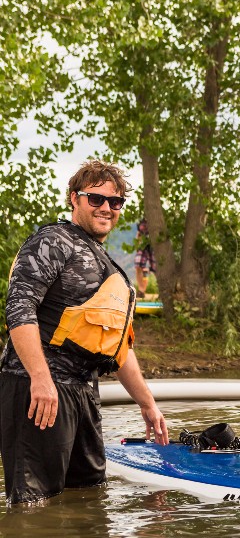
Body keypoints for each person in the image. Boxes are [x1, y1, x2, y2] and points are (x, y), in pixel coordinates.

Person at [0, 160, 169, 505]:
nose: (107, 207)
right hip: (38, 390)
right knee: (35, 507)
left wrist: (148, 404)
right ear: (74, 199)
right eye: (96, 199)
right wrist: (41, 379)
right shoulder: (52, 241)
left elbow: (118, 348)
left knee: (88, 499)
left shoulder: (106, 263)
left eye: (115, 201)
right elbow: (19, 309)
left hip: (83, 391)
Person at [134, 218, 156, 299]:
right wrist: (137, 244)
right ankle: (141, 291)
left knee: (157, 267)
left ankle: (163, 290)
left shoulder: (157, 218)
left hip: (155, 244)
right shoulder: (141, 220)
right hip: (143, 244)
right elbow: (139, 232)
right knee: (138, 265)